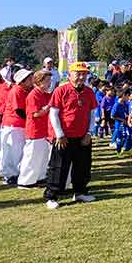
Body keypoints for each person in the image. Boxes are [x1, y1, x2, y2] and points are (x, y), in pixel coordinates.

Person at [44, 62, 98, 209]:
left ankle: (80, 191)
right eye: (78, 73)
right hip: (64, 137)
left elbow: (92, 114)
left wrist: (89, 133)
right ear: (70, 75)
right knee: (58, 167)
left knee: (83, 166)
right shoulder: (61, 90)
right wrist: (59, 134)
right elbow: (53, 114)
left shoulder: (89, 92)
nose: (81, 77)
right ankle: (52, 196)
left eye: (84, 74)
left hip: (82, 137)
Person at [17, 70, 53, 188]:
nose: (49, 83)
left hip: (43, 130)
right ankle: (25, 181)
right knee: (32, 157)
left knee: (42, 156)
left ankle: (40, 177)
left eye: (49, 81)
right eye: (47, 81)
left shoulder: (45, 94)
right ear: (38, 81)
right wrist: (47, 108)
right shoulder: (33, 95)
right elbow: (35, 114)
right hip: (35, 131)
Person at [0, 68, 34, 185]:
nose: (32, 80)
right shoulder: (17, 91)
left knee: (18, 151)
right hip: (14, 124)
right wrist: (30, 120)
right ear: (22, 81)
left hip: (20, 124)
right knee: (13, 151)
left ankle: (16, 173)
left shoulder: (26, 90)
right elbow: (18, 110)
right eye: (29, 79)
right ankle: (10, 175)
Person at [111, 87, 131, 153]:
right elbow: (112, 116)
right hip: (119, 124)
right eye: (127, 96)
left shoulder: (126, 104)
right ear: (123, 96)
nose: (128, 97)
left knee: (126, 135)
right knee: (120, 137)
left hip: (125, 124)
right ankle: (118, 150)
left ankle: (125, 148)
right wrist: (121, 119)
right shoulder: (116, 105)